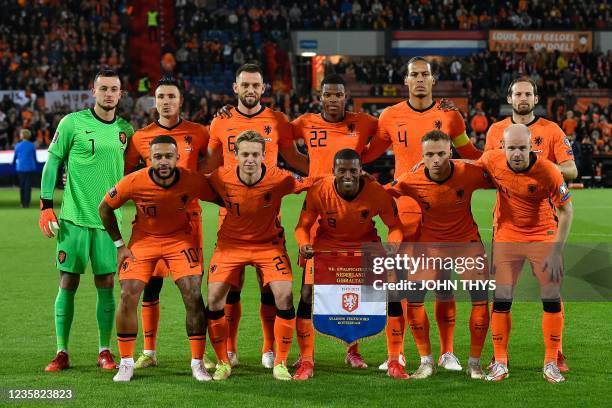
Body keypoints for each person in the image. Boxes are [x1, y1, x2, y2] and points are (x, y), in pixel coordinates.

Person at [362, 56, 482, 375]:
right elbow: (367, 152)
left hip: (441, 215)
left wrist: (509, 159)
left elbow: (470, 154)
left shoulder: (450, 115)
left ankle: (446, 353)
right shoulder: (389, 116)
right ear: (405, 80)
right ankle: (396, 354)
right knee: (397, 287)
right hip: (403, 214)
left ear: (433, 80)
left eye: (424, 75)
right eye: (413, 74)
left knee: (444, 285)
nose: (418, 79)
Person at [201, 63, 309, 369]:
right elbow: (208, 165)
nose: (250, 90)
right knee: (230, 289)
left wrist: (329, 176)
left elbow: (292, 158)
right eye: (244, 85)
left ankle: (268, 349)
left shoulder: (277, 119)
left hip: (267, 219)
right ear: (235, 88)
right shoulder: (220, 121)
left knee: (270, 289)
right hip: (231, 221)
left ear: (263, 89)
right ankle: (230, 351)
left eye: (255, 85)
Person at [99, 135, 220, 382]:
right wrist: (120, 245)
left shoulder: (191, 179)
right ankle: (126, 362)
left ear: (177, 157)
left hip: (180, 240)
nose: (163, 161)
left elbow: (224, 197)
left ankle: (197, 363)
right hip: (144, 240)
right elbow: (105, 208)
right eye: (157, 156)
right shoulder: (133, 181)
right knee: (127, 293)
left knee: (193, 293)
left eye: (168, 156)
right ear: (149, 159)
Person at [39, 70, 134, 372]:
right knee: (68, 282)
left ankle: (104, 350)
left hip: (109, 223)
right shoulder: (72, 123)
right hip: (74, 219)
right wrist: (45, 204)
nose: (108, 94)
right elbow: (53, 160)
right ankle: (61, 351)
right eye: (103, 88)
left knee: (106, 283)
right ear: (93, 91)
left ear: (121, 94)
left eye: (114, 89)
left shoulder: (125, 130)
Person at [484, 77, 577, 371]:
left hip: (543, 220)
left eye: (528, 93)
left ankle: (555, 352)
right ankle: (500, 357)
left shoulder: (551, 131)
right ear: (509, 98)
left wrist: (538, 169)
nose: (522, 98)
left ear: (535, 98)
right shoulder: (495, 131)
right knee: (502, 294)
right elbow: (486, 166)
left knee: (550, 290)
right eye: (517, 93)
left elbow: (571, 168)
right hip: (506, 224)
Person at [386, 130, 492, 380]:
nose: (436, 159)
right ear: (422, 156)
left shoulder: (469, 174)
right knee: (414, 301)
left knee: (480, 301)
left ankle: (474, 363)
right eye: (429, 154)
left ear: (451, 153)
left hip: (467, 244)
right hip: (429, 246)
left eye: (441, 153)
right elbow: (382, 194)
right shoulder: (411, 179)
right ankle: (426, 362)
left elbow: (500, 176)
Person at [123, 77, 213, 370]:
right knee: (150, 286)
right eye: (161, 96)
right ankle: (149, 352)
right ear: (155, 101)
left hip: (189, 222)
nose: (166, 101)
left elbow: (210, 167)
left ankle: (201, 354)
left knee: (193, 289)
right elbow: (125, 174)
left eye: (171, 96)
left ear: (180, 100)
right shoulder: (140, 137)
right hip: (151, 224)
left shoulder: (199, 133)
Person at [291, 74, 379, 371]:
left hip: (351, 211)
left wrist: (360, 165)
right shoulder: (305, 122)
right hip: (318, 210)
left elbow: (386, 137)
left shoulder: (364, 122)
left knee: (350, 286)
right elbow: (278, 139)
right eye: (327, 94)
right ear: (320, 96)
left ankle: (353, 350)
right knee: (308, 289)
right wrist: (308, 171)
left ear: (346, 97)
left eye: (338, 95)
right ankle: (306, 353)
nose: (332, 99)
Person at [293, 148, 403, 380]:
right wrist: (303, 244)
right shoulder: (319, 190)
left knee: (392, 293)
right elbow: (302, 227)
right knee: (306, 294)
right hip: (327, 250)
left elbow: (395, 227)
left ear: (361, 170)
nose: (348, 175)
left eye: (353, 170)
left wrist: (393, 245)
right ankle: (306, 360)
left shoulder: (376, 192)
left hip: (364, 249)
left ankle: (394, 360)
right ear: (333, 171)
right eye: (342, 170)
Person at [13, 129, 38, 208]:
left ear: (22, 135)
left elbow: (15, 158)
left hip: (21, 168)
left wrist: (13, 162)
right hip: (30, 168)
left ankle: (22, 203)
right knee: (28, 186)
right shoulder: (32, 145)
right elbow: (34, 158)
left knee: (22, 186)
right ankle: (27, 203)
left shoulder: (18, 145)